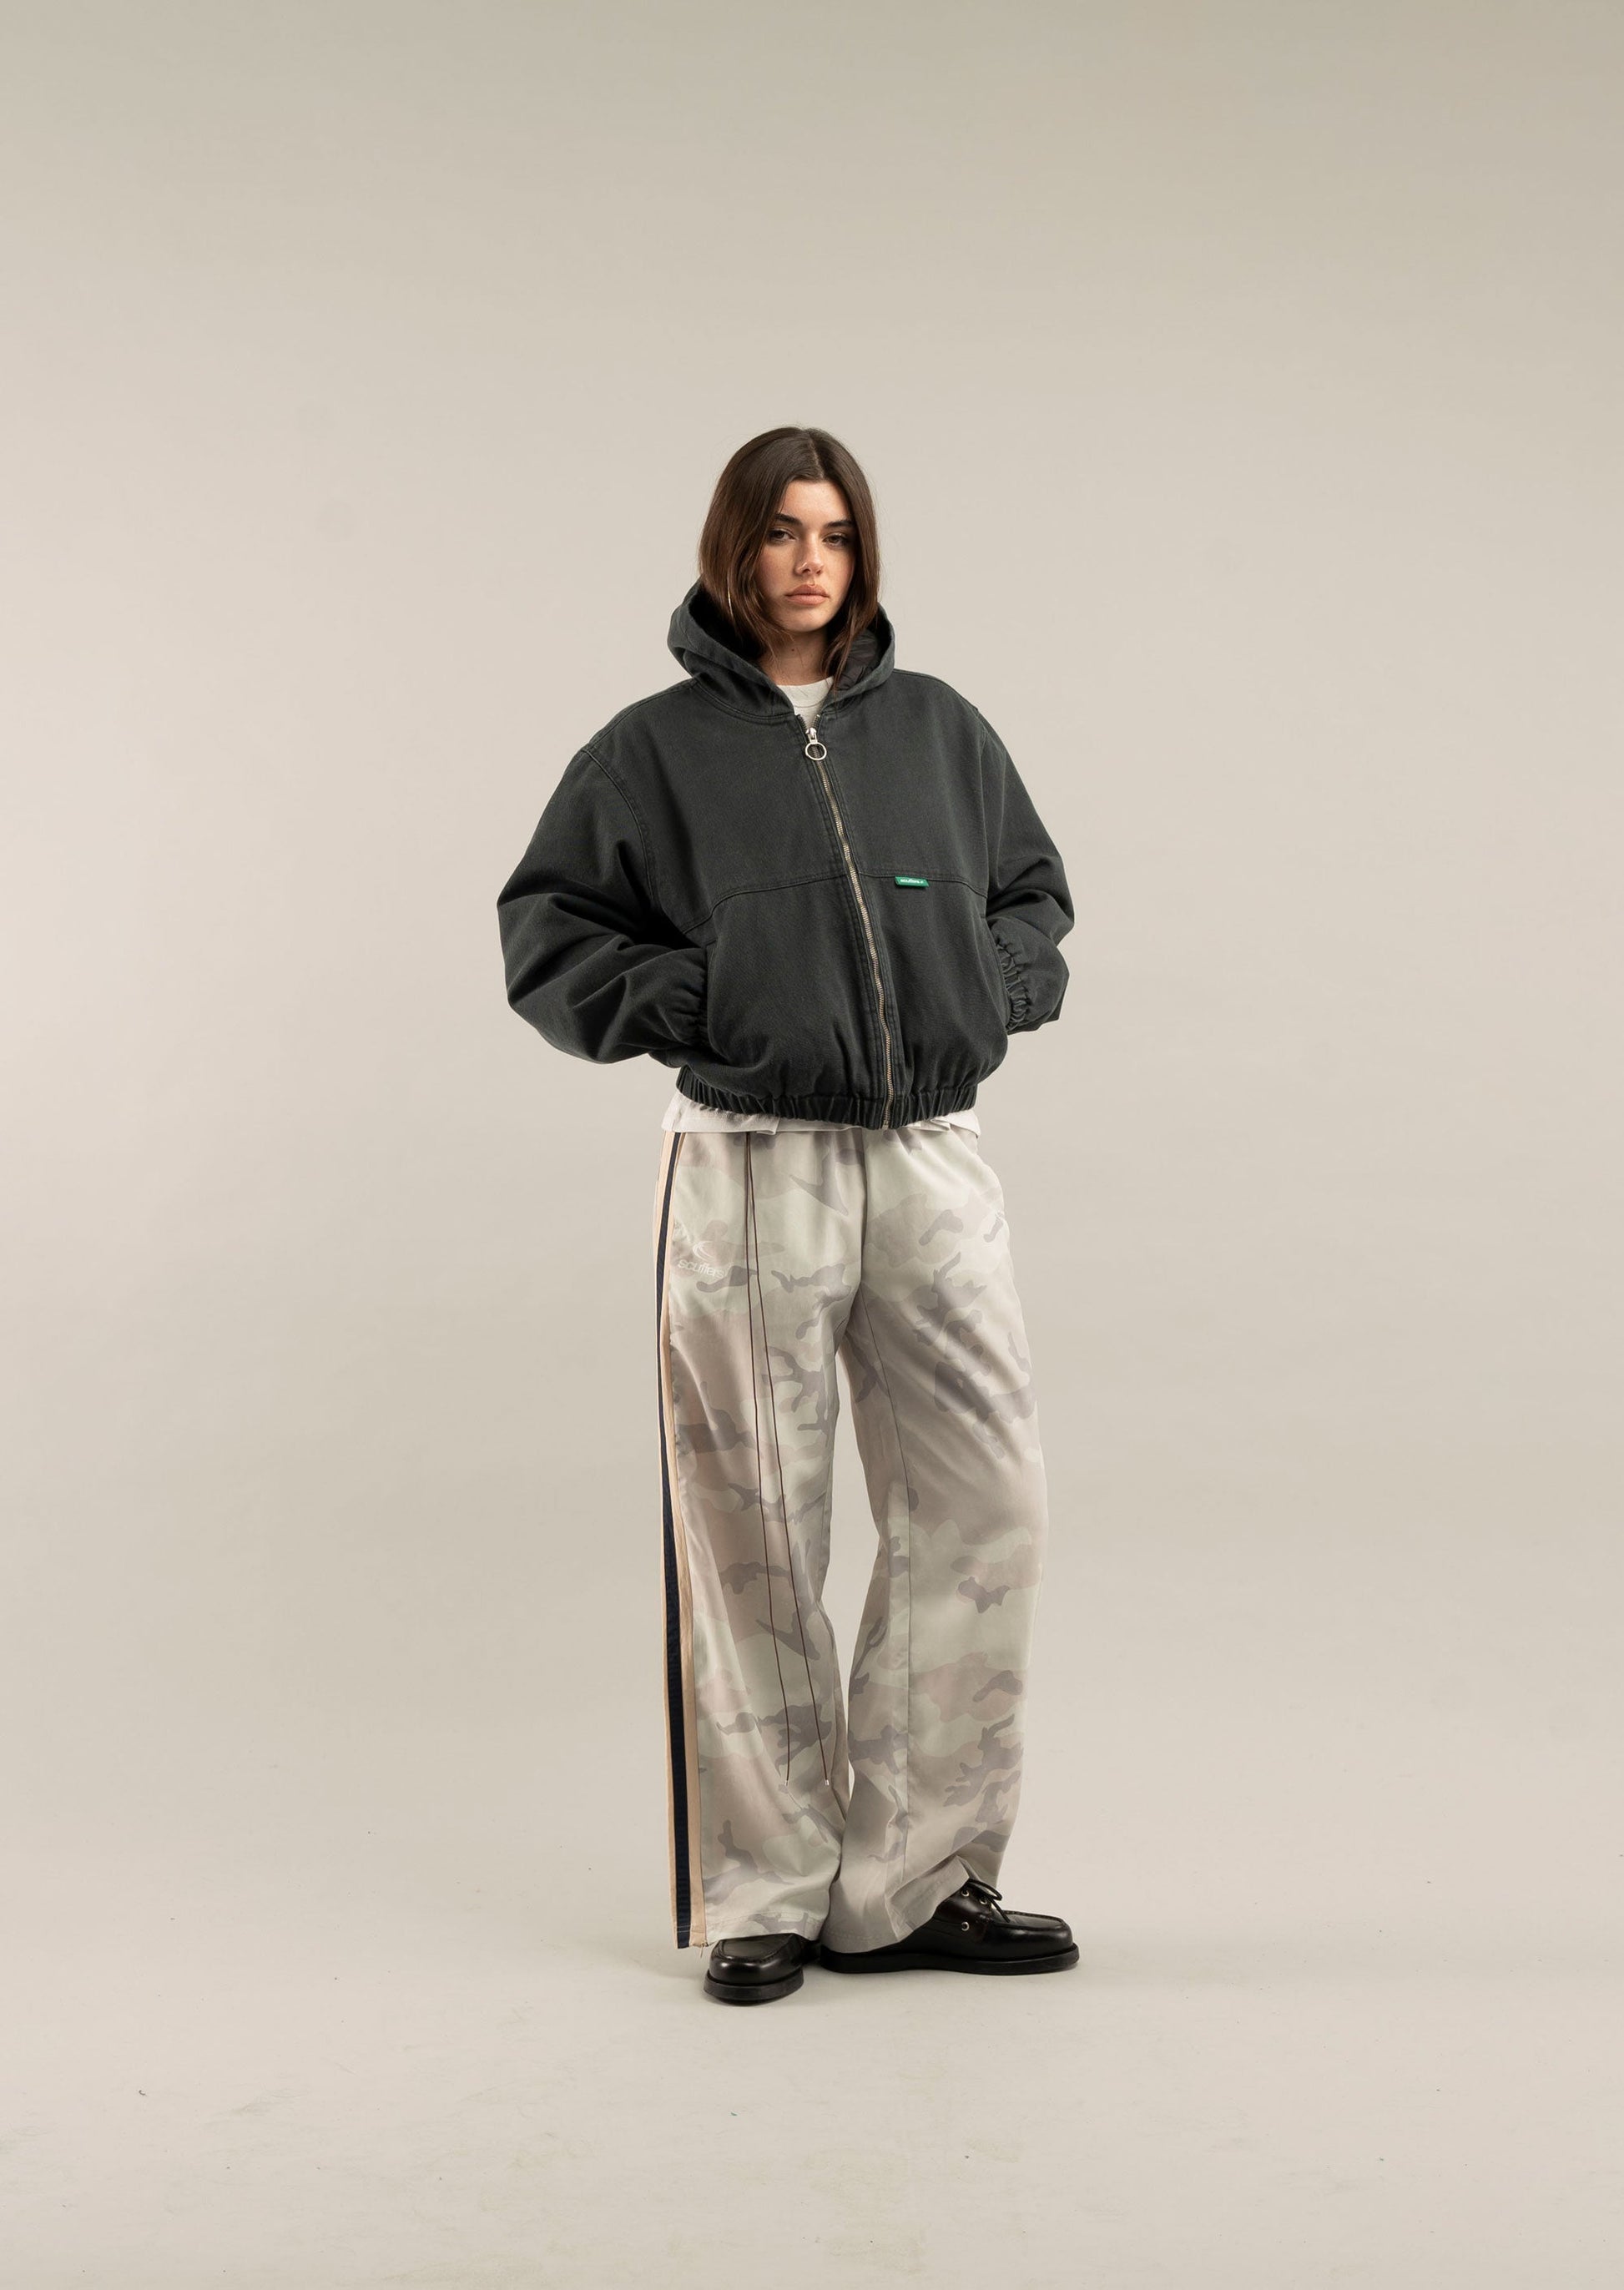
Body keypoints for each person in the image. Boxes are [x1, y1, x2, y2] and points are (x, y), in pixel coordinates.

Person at [497, 426, 1079, 2005]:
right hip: (752, 1160)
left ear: (860, 551)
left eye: (832, 533)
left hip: (932, 1154)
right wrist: (704, 1003)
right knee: (750, 1526)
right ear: (731, 550)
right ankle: (763, 1889)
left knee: (983, 1509)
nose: (808, 561)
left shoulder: (939, 728)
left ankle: (918, 1880)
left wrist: (995, 984)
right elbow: (549, 933)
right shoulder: (650, 751)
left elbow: (1029, 892)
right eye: (777, 533)